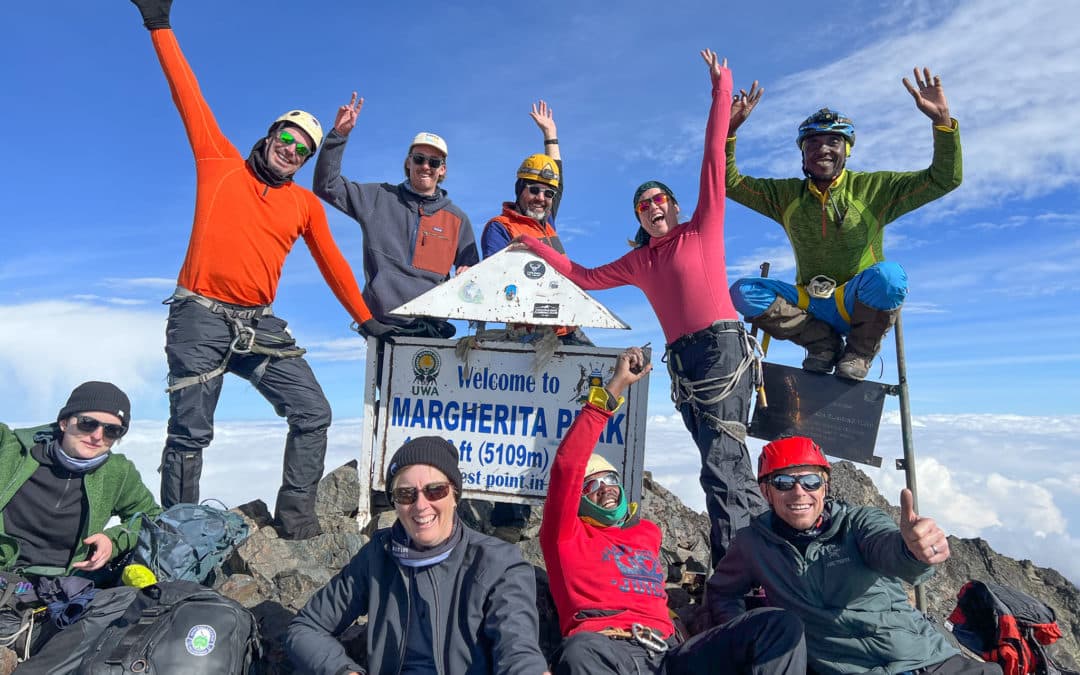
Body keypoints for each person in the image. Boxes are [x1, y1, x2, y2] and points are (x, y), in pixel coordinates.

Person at [128, 0, 374, 540]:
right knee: (191, 432)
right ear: (268, 136)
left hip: (257, 324)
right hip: (200, 316)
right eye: (286, 140)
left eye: (302, 151)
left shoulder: (303, 205)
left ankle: (297, 521)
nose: (291, 152)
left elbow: (333, 264)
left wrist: (366, 319)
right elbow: (187, 96)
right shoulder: (219, 163)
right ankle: (178, 538)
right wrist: (159, 25)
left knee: (312, 411)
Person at [518, 49, 766, 566]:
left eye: (660, 199)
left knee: (724, 466)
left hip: (722, 352)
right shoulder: (639, 261)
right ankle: (751, 568)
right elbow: (583, 277)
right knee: (717, 466)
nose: (654, 206)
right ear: (639, 216)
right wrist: (533, 246)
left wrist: (721, 88)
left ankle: (741, 578)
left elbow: (712, 156)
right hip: (685, 360)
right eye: (644, 204)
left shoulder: (702, 228)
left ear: (674, 206)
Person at [541, 348, 807, 675]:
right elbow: (569, 465)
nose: (605, 488)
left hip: (671, 653)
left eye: (610, 479)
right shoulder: (565, 535)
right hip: (607, 650)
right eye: (591, 485)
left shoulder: (646, 534)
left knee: (779, 625)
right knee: (578, 650)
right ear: (578, 500)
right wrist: (614, 388)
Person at [725, 68, 962, 380]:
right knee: (744, 291)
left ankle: (859, 353)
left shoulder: (875, 189)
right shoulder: (785, 196)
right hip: (811, 301)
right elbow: (728, 182)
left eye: (833, 141)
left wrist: (942, 122)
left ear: (847, 150)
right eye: (812, 143)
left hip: (857, 301)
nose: (822, 148)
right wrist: (727, 131)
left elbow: (944, 179)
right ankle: (822, 344)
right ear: (803, 153)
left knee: (890, 277)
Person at [705, 436, 1001, 675]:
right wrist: (749, 636)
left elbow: (889, 550)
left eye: (810, 481)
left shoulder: (858, 524)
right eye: (783, 483)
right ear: (765, 491)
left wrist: (914, 551)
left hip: (923, 656)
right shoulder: (753, 545)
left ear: (825, 487)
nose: (799, 492)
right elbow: (722, 592)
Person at [285, 436, 550, 675]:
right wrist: (342, 671)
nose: (421, 505)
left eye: (435, 490)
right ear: (395, 504)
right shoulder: (379, 556)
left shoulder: (498, 563)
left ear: (455, 495)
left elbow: (517, 646)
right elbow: (306, 627)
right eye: (406, 494)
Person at [0, 382, 161, 673]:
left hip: (56, 595)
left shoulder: (118, 473)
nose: (98, 436)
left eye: (112, 431)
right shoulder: (10, 449)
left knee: (131, 600)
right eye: (88, 423)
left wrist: (114, 540)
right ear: (64, 422)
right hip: (4, 577)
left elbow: (151, 517)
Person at [313, 91, 479, 342]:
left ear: (442, 170)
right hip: (383, 326)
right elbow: (326, 186)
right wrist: (339, 135)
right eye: (419, 159)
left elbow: (472, 276)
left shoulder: (457, 219)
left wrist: (469, 274)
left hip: (432, 330)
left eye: (434, 162)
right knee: (387, 383)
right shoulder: (377, 197)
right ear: (408, 162)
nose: (426, 166)